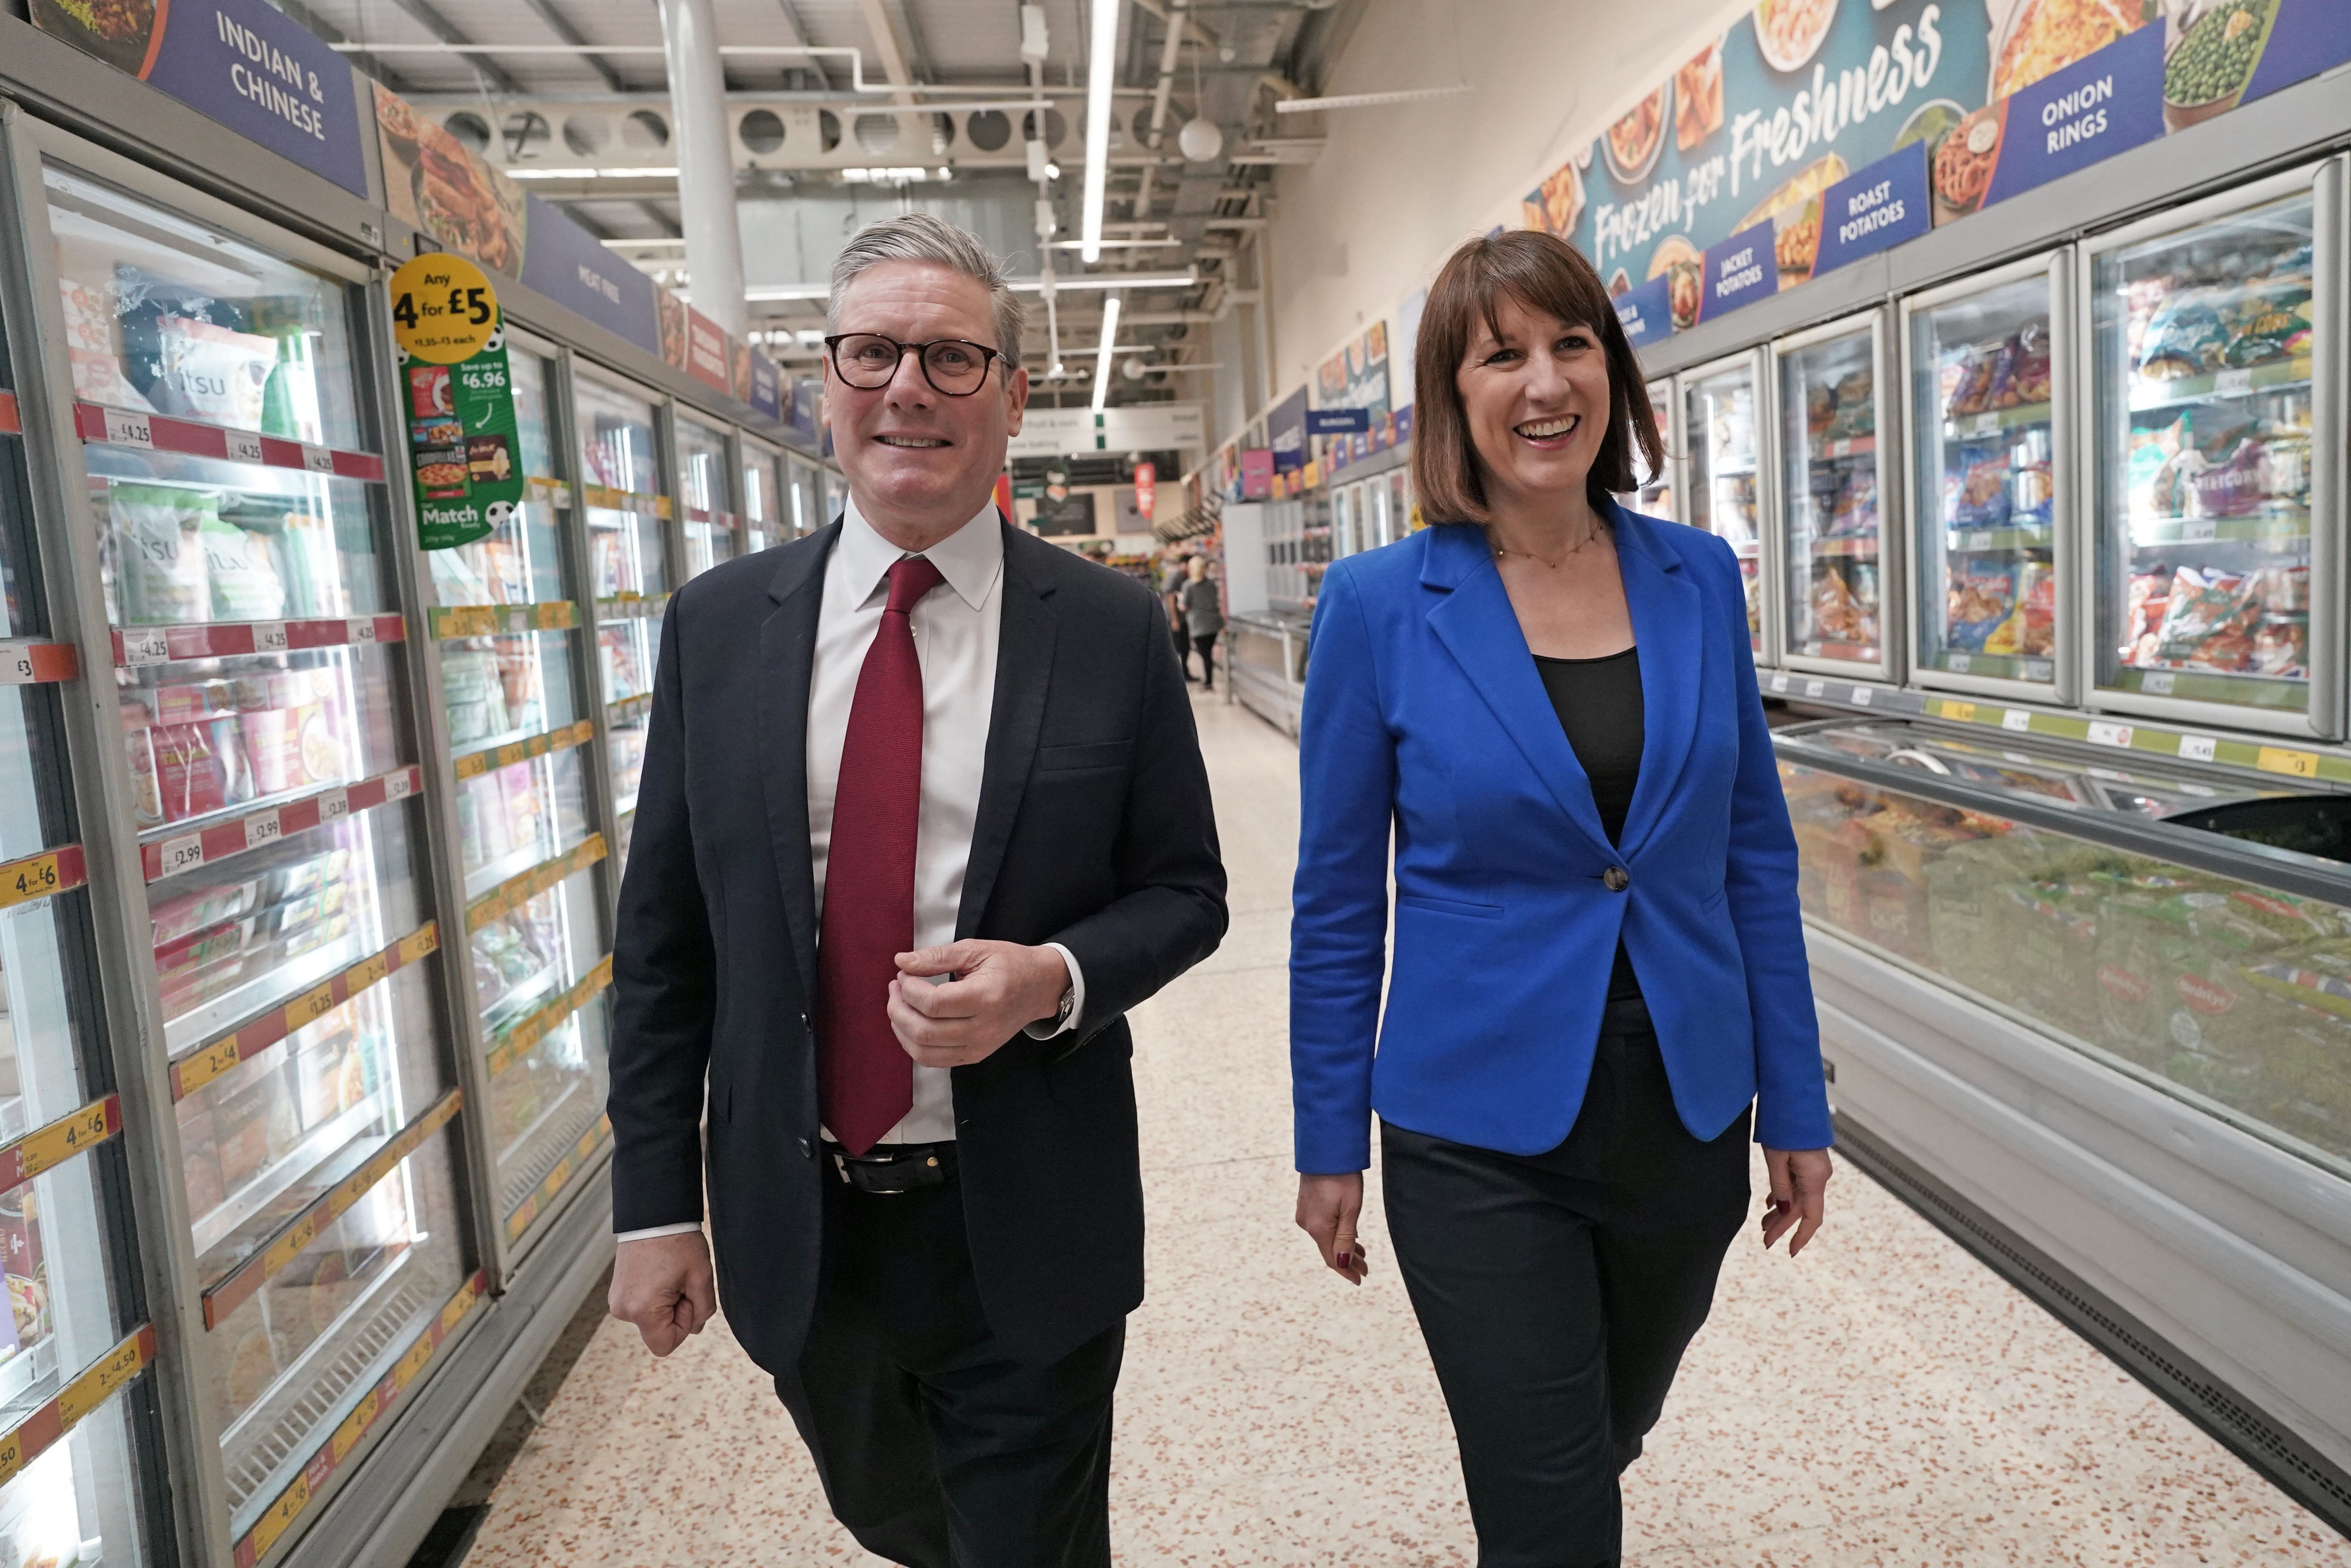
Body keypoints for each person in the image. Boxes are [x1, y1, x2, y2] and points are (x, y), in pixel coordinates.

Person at [605, 212, 1228, 1568]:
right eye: (875, 351)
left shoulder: (1108, 627)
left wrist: (1049, 979)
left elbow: (1185, 889)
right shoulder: (720, 630)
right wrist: (657, 1202)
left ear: (1011, 396)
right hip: (802, 1222)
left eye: (953, 358)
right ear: (826, 381)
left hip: (1025, 1213)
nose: (909, 388)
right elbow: (664, 942)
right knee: (894, 1519)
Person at [1287, 228, 1833, 1566]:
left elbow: (1752, 852)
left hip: (1685, 1111)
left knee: (1604, 1430)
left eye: (1571, 343)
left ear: (1613, 370)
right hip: (1477, 1126)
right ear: (1453, 396)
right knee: (1548, 1501)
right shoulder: (1375, 606)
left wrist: (1798, 1097)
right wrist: (1325, 1137)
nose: (1545, 383)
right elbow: (1338, 900)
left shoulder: (1696, 574)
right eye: (1502, 354)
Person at [1182, 555, 1224, 690]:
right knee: (1208, 653)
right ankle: (1209, 681)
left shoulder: (1188, 586)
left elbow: (1184, 606)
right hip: (1213, 623)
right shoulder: (1212, 584)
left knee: (1204, 654)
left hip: (1198, 624)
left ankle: (1208, 683)